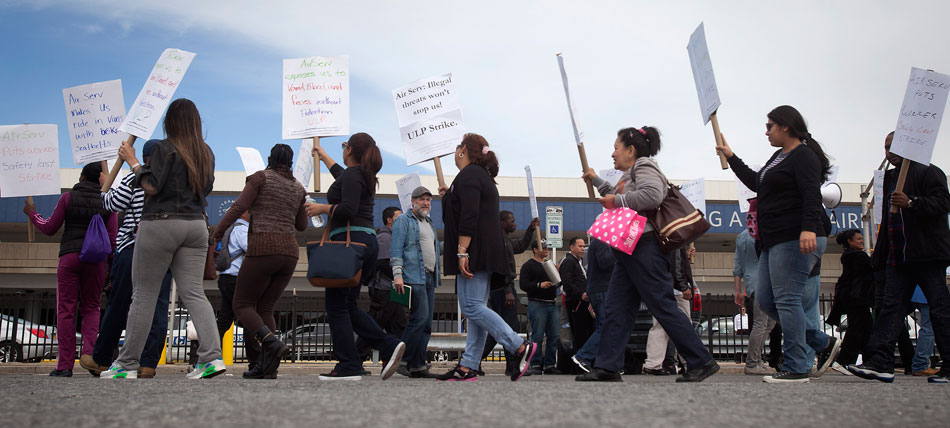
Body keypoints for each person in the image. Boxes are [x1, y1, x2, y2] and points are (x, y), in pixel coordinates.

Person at [577, 126, 718, 383]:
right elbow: (619, 194)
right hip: (630, 248)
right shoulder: (631, 172)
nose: (613, 154)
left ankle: (701, 360)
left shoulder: (644, 166)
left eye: (616, 148)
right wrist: (596, 181)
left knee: (662, 304)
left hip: (645, 246)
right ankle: (607, 365)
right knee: (617, 307)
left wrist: (616, 202)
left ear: (631, 151)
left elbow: (652, 196)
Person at [101, 98, 224, 379]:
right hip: (196, 226)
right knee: (194, 292)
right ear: (195, 121)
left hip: (160, 223)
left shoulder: (163, 148)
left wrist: (132, 161)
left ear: (170, 121)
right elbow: (206, 189)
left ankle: (126, 364)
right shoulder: (206, 153)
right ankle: (211, 358)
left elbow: (152, 186)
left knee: (143, 294)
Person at [717, 106, 840, 383]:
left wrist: (808, 227)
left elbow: (811, 193)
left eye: (770, 126)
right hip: (773, 240)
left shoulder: (803, 156)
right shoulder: (777, 157)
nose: (766, 131)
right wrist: (731, 157)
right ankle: (821, 342)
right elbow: (756, 182)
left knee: (786, 300)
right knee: (768, 301)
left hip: (794, 236)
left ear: (786, 126)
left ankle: (797, 367)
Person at [848, 132, 950, 384]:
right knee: (889, 308)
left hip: (927, 255)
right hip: (898, 256)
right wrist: (879, 256)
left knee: (939, 309)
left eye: (893, 146)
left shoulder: (929, 171)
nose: (888, 151)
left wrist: (912, 202)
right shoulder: (890, 177)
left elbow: (943, 203)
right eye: (885, 147)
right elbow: (887, 219)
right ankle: (881, 362)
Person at [436, 133, 537, 381]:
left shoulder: (469, 176)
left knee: (471, 306)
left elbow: (468, 216)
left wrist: (462, 251)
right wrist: (449, 196)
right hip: (483, 250)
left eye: (457, 147)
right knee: (476, 307)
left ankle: (518, 346)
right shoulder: (479, 177)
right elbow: (467, 211)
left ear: (463, 150)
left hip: (474, 251)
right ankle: (469, 365)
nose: (455, 151)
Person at [305, 133, 405, 381]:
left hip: (349, 244)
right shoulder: (360, 175)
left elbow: (347, 208)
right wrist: (323, 154)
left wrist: (321, 208)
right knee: (347, 305)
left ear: (349, 150)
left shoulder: (353, 175)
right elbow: (341, 174)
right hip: (363, 243)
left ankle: (352, 362)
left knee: (336, 306)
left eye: (343, 147)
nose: (341, 151)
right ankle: (378, 349)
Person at [213, 144, 308, 379]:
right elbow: (302, 226)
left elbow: (239, 207)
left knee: (242, 305)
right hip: (289, 253)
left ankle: (271, 343)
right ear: (291, 161)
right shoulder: (298, 187)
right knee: (265, 308)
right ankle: (267, 368)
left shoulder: (259, 178)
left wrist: (217, 233)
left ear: (270, 159)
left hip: (263, 248)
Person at [81, 140, 173, 379]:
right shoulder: (173, 181)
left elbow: (113, 204)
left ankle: (101, 358)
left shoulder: (135, 177)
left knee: (120, 304)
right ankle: (148, 363)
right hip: (165, 250)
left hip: (132, 247)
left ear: (144, 157)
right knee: (159, 305)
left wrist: (105, 188)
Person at [25, 162, 118, 377]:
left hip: (69, 257)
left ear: (82, 177)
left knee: (65, 310)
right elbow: (112, 241)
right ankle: (91, 358)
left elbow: (49, 228)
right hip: (95, 262)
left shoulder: (67, 198)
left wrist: (33, 214)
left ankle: (64, 365)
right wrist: (111, 270)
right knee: (92, 308)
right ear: (102, 178)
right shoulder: (108, 203)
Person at [480, 211, 538, 377]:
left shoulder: (504, 241)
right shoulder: (500, 242)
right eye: (512, 221)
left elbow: (520, 246)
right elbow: (502, 269)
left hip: (500, 290)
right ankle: (512, 366)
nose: (515, 224)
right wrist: (507, 291)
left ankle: (476, 360)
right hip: (503, 291)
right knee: (509, 327)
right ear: (502, 223)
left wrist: (530, 229)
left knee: (497, 328)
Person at [391, 186, 441, 378]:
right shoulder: (403, 221)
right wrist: (397, 275)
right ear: (412, 201)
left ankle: (418, 365)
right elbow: (396, 249)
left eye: (428, 200)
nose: (426, 203)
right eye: (422, 199)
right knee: (418, 319)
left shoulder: (429, 223)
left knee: (426, 323)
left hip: (430, 276)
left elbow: (434, 249)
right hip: (413, 276)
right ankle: (401, 360)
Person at [358, 206, 407, 362]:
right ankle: (356, 358)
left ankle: (393, 361)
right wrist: (400, 277)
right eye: (399, 217)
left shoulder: (394, 237)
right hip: (384, 289)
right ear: (390, 220)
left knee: (398, 326)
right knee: (375, 326)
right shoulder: (385, 237)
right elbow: (383, 263)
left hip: (392, 289)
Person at [214, 210, 258, 376]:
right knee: (248, 318)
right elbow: (252, 249)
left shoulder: (231, 228)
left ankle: (206, 356)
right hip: (237, 278)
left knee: (224, 319)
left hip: (226, 277)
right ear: (244, 213)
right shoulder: (241, 229)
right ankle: (255, 361)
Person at [824, 228, 874, 371]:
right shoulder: (858, 256)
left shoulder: (850, 256)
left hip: (853, 297)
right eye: (858, 239)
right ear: (849, 241)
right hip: (857, 297)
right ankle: (844, 361)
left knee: (865, 328)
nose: (861, 240)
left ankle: (868, 360)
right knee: (858, 328)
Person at [643, 247, 697, 375]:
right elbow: (676, 265)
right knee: (684, 325)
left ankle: (653, 363)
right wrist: (683, 286)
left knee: (659, 327)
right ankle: (691, 362)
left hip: (660, 287)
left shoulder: (660, 239)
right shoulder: (675, 238)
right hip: (676, 290)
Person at [734, 229, 776, 375]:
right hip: (765, 281)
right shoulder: (763, 233)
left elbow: (738, 266)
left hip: (751, 283)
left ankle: (756, 359)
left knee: (767, 322)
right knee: (763, 323)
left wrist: (738, 290)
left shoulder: (742, 236)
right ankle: (752, 362)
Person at [570, 238, 615, 373]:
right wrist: (617, 250)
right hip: (602, 289)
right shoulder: (603, 240)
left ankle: (605, 363)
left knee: (605, 326)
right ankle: (583, 356)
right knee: (606, 326)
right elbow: (605, 262)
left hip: (599, 289)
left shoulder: (600, 241)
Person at [520, 240, 560, 375]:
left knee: (554, 336)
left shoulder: (549, 265)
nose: (546, 249)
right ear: (535, 249)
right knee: (537, 335)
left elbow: (558, 284)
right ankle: (535, 363)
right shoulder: (528, 266)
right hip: (537, 303)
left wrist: (557, 274)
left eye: (547, 247)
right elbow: (523, 284)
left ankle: (550, 364)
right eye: (543, 247)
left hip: (552, 303)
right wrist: (539, 285)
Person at [560, 237, 594, 360]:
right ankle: (580, 358)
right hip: (576, 303)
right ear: (572, 247)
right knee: (580, 333)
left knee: (587, 331)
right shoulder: (568, 261)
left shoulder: (578, 263)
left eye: (584, 246)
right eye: (580, 246)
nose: (582, 249)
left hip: (584, 303)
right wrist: (581, 294)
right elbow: (567, 283)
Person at [910, 286, 939, 376]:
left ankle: (918, 363)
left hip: (915, 292)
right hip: (928, 293)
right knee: (929, 329)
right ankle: (920, 364)